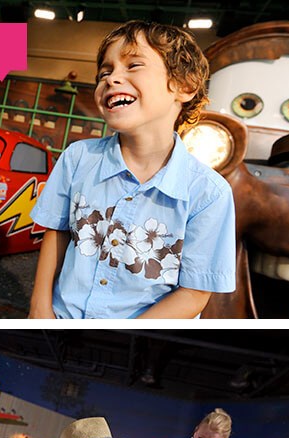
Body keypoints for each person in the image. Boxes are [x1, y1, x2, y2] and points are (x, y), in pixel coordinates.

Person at [29, 20, 235, 319]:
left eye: (133, 65)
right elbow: (58, 233)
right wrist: (39, 310)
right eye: (105, 72)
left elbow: (194, 294)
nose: (112, 79)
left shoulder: (209, 194)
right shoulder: (77, 158)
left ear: (184, 86)